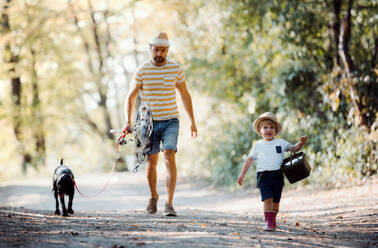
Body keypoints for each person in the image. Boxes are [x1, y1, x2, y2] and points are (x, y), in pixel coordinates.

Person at [124, 32, 198, 217]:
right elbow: (131, 96)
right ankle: (153, 197)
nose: (159, 53)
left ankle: (169, 203)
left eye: (163, 50)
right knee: (152, 161)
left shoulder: (176, 69)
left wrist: (192, 122)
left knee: (169, 154)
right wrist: (127, 121)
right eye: (156, 50)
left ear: (167, 51)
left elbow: (185, 95)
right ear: (150, 49)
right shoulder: (142, 70)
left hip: (171, 120)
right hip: (148, 122)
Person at [237, 112, 307, 231]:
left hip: (278, 175)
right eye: (265, 127)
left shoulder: (280, 142)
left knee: (276, 201)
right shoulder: (258, 145)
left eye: (272, 127)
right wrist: (242, 173)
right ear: (260, 131)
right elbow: (249, 160)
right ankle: (268, 223)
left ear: (276, 130)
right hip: (263, 175)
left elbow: (293, 148)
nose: (269, 130)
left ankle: (273, 220)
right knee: (267, 198)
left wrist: (300, 144)